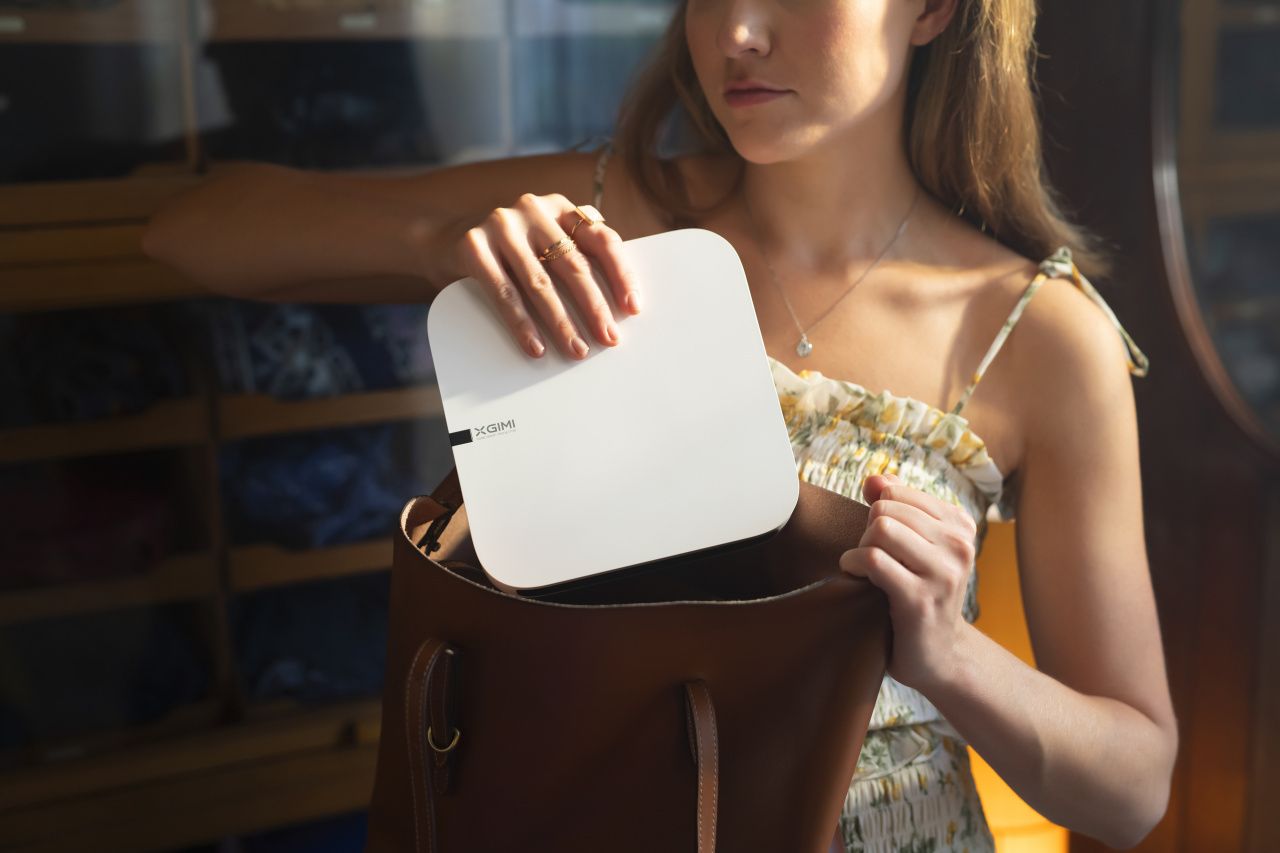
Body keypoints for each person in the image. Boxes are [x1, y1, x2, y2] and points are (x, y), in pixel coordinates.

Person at [142, 0, 1179, 849]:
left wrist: (951, 654)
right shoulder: (599, 224)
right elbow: (187, 233)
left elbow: (1132, 788)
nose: (736, 32)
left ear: (933, 9)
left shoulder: (1039, 336)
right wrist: (433, 242)